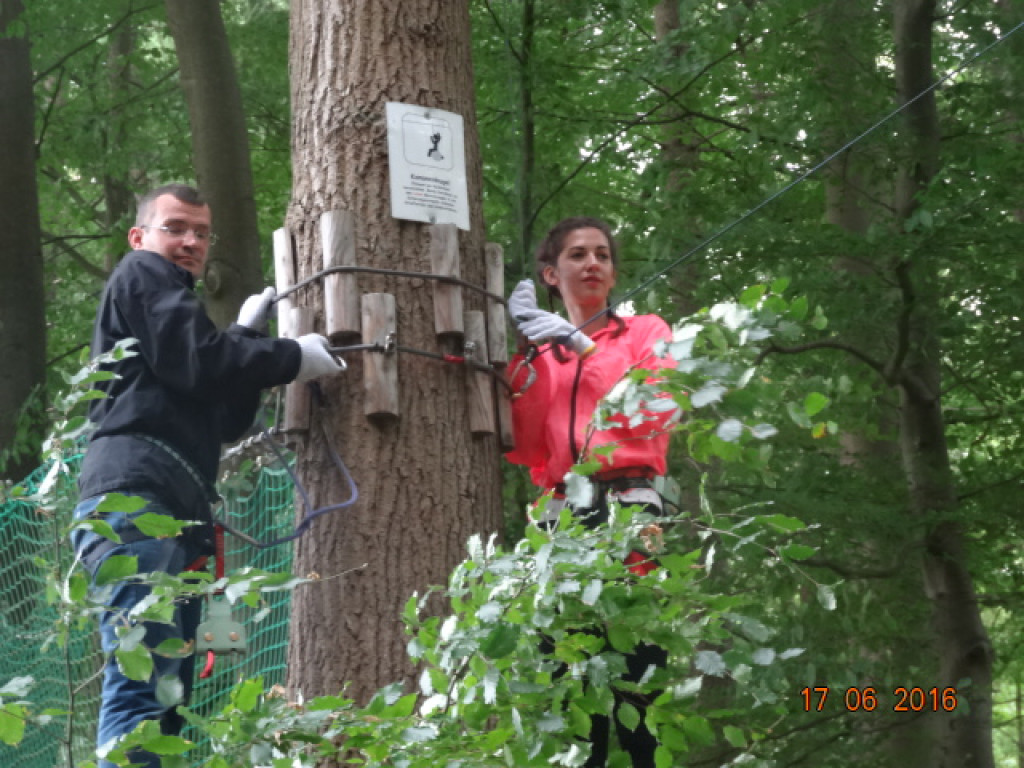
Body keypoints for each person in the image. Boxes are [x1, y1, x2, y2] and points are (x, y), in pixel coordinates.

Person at [69, 183, 344, 768]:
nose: (191, 241)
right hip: (135, 504)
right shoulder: (141, 274)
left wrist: (244, 341)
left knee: (168, 698)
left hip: (167, 513)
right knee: (142, 687)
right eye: (176, 227)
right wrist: (289, 356)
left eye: (201, 232)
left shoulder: (164, 324)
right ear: (139, 237)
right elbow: (199, 359)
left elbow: (218, 411)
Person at [505, 216, 675, 768]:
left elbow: (656, 408)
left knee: (636, 661)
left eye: (602, 254)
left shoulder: (646, 333)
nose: (593, 264)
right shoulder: (540, 357)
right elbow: (527, 449)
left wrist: (585, 350)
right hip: (560, 510)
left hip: (631, 501)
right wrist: (528, 365)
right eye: (577, 255)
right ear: (551, 274)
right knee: (567, 667)